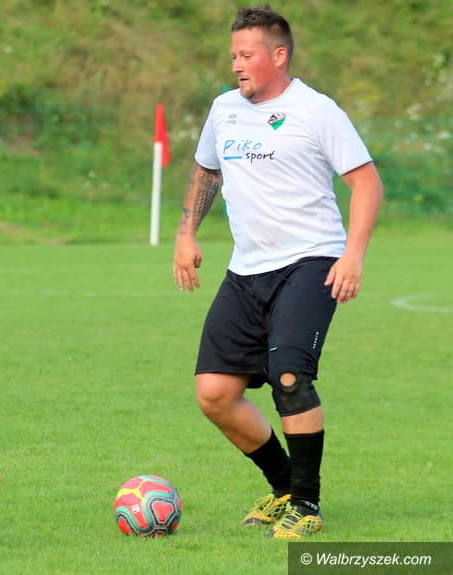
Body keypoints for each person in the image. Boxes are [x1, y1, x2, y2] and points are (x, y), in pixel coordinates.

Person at [172, 6, 383, 539]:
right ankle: (286, 486)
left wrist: (353, 254)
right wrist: (185, 234)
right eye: (233, 56)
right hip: (247, 268)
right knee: (214, 392)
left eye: (246, 56)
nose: (236, 65)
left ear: (279, 55)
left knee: (289, 376)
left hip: (311, 261)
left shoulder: (316, 111)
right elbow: (206, 170)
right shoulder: (224, 110)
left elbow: (366, 182)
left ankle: (307, 507)